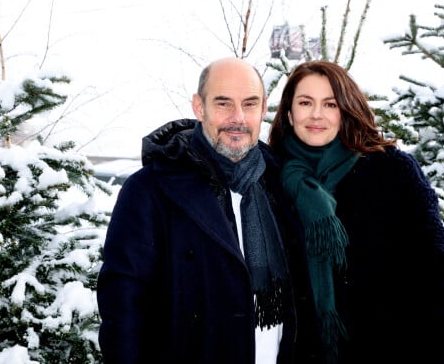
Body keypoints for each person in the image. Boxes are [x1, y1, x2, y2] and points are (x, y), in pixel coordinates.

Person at [97, 57, 319, 363]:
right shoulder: (150, 191)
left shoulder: (279, 185)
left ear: (264, 108)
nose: (238, 117)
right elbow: (123, 312)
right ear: (199, 107)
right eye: (223, 104)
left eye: (250, 104)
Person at [268, 60, 444, 364]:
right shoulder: (270, 181)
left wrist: (429, 351)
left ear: (346, 109)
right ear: (289, 112)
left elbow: (441, 278)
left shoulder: (392, 170)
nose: (317, 114)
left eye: (330, 104)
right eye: (305, 102)